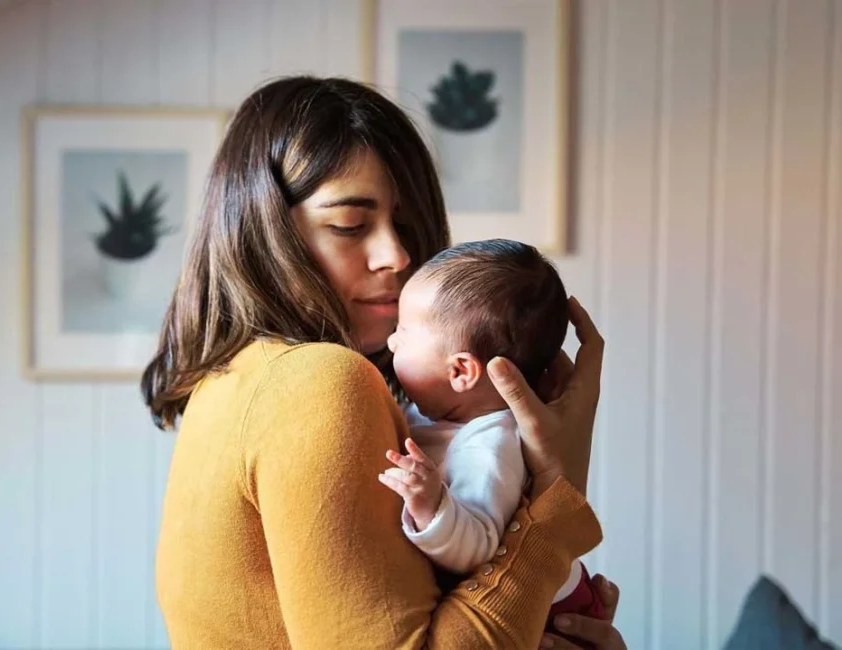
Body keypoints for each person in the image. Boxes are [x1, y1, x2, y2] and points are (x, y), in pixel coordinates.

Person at [142, 75, 626, 649]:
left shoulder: (232, 381)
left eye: (407, 225)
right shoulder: (317, 381)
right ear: (265, 233)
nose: (396, 254)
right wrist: (556, 496)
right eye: (350, 225)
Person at [380, 239, 607, 647]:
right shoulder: (437, 414)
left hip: (551, 617)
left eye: (403, 333)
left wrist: (432, 506)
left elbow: (478, 546)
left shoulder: (489, 447)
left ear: (461, 372)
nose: (391, 342)